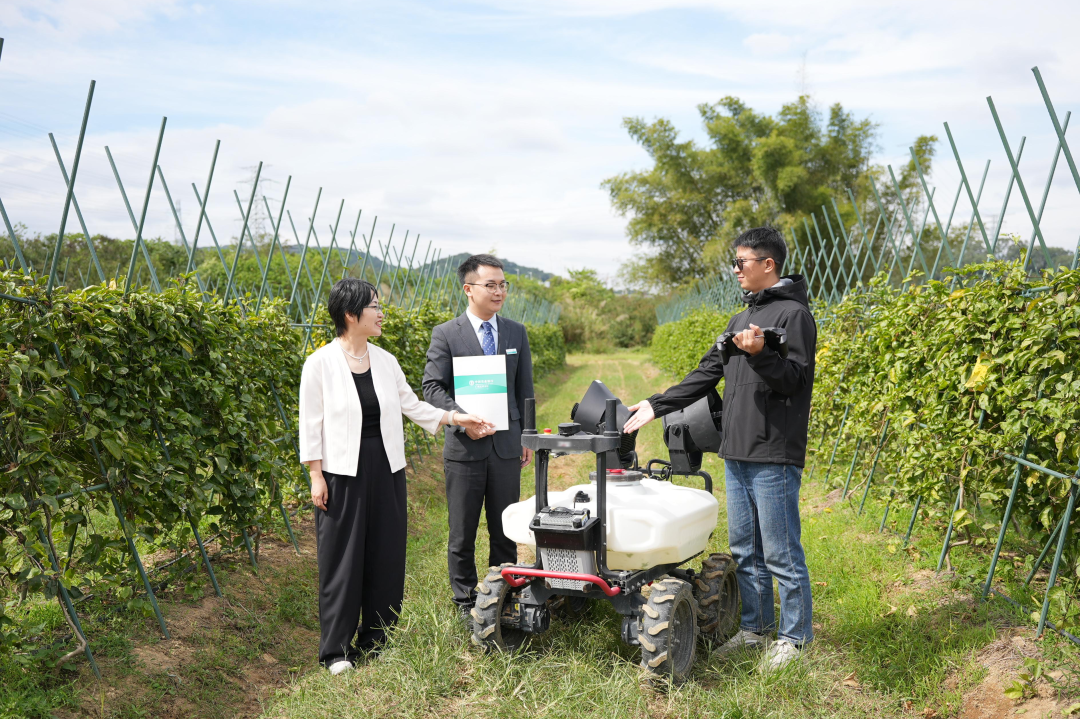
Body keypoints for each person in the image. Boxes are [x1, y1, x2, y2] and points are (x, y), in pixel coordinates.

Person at [623, 227, 817, 672]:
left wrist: (760, 354)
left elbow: (795, 382)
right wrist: (655, 405)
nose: (735, 270)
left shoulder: (793, 316)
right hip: (737, 451)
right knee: (746, 549)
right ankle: (756, 629)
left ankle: (795, 638)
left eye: (741, 262)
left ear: (768, 264)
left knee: (782, 550)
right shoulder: (738, 320)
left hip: (774, 452)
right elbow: (705, 374)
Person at [299, 278, 493, 675]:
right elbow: (310, 424)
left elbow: (412, 406)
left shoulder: (385, 360)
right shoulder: (320, 363)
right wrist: (316, 476)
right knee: (342, 560)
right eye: (373, 306)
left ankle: (376, 640)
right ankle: (336, 651)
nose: (381, 312)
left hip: (387, 469)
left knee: (386, 555)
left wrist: (456, 417)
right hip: (341, 473)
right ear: (351, 314)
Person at [422, 254, 535, 623]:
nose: (499, 291)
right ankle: (465, 603)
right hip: (464, 448)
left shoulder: (516, 332)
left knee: (504, 529)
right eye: (491, 285)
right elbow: (432, 387)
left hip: (505, 447)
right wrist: (460, 419)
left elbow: (525, 391)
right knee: (462, 531)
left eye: (503, 284)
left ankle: (501, 596)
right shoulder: (447, 333)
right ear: (468, 289)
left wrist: (526, 436)